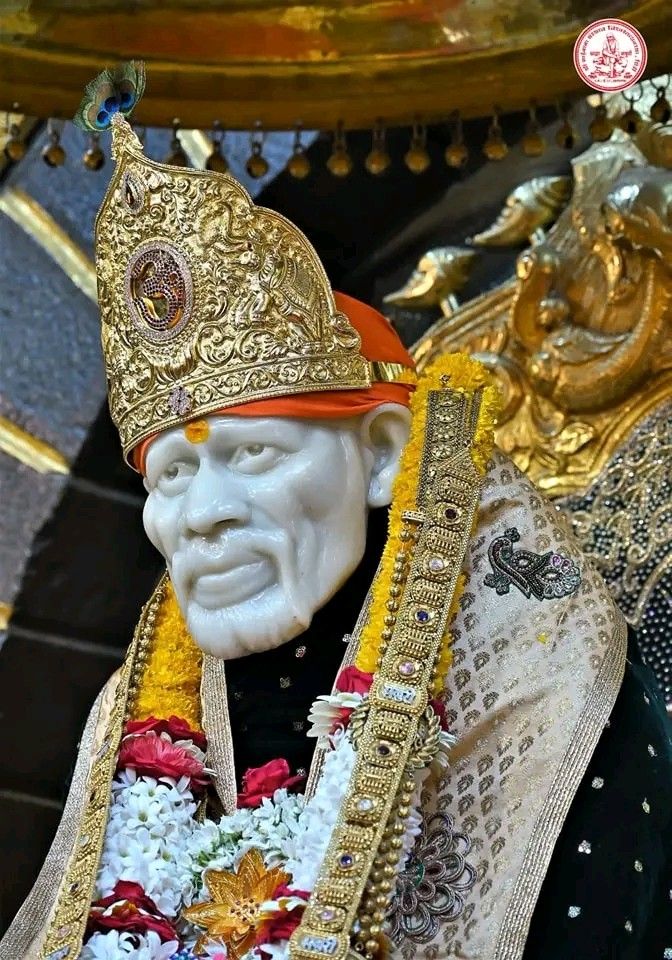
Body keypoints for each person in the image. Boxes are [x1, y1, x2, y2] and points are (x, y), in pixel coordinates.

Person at [1, 75, 669, 960]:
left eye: (255, 455)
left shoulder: (545, 695)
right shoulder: (133, 717)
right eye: (172, 474)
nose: (200, 515)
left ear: (385, 453)